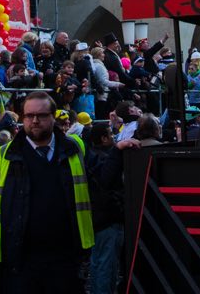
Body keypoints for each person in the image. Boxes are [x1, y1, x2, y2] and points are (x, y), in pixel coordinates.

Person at [0, 91, 95, 293]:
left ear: (52, 117)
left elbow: (100, 182)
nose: (34, 121)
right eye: (29, 116)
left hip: (65, 257)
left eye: (41, 115)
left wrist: (120, 152)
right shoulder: (3, 156)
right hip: (19, 260)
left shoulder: (74, 148)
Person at [85, 123, 124, 294]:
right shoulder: (101, 158)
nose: (114, 137)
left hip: (101, 219)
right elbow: (106, 180)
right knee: (105, 265)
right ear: (103, 138)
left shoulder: (94, 156)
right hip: (105, 220)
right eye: (110, 134)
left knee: (102, 263)